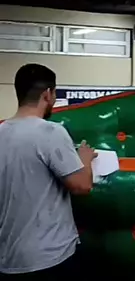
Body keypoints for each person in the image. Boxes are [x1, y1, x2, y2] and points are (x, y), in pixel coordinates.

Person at [0, 64, 96, 280]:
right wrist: (85, 159)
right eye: (54, 94)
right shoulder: (50, 132)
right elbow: (82, 186)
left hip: (8, 258)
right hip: (49, 257)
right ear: (47, 94)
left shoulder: (2, 131)